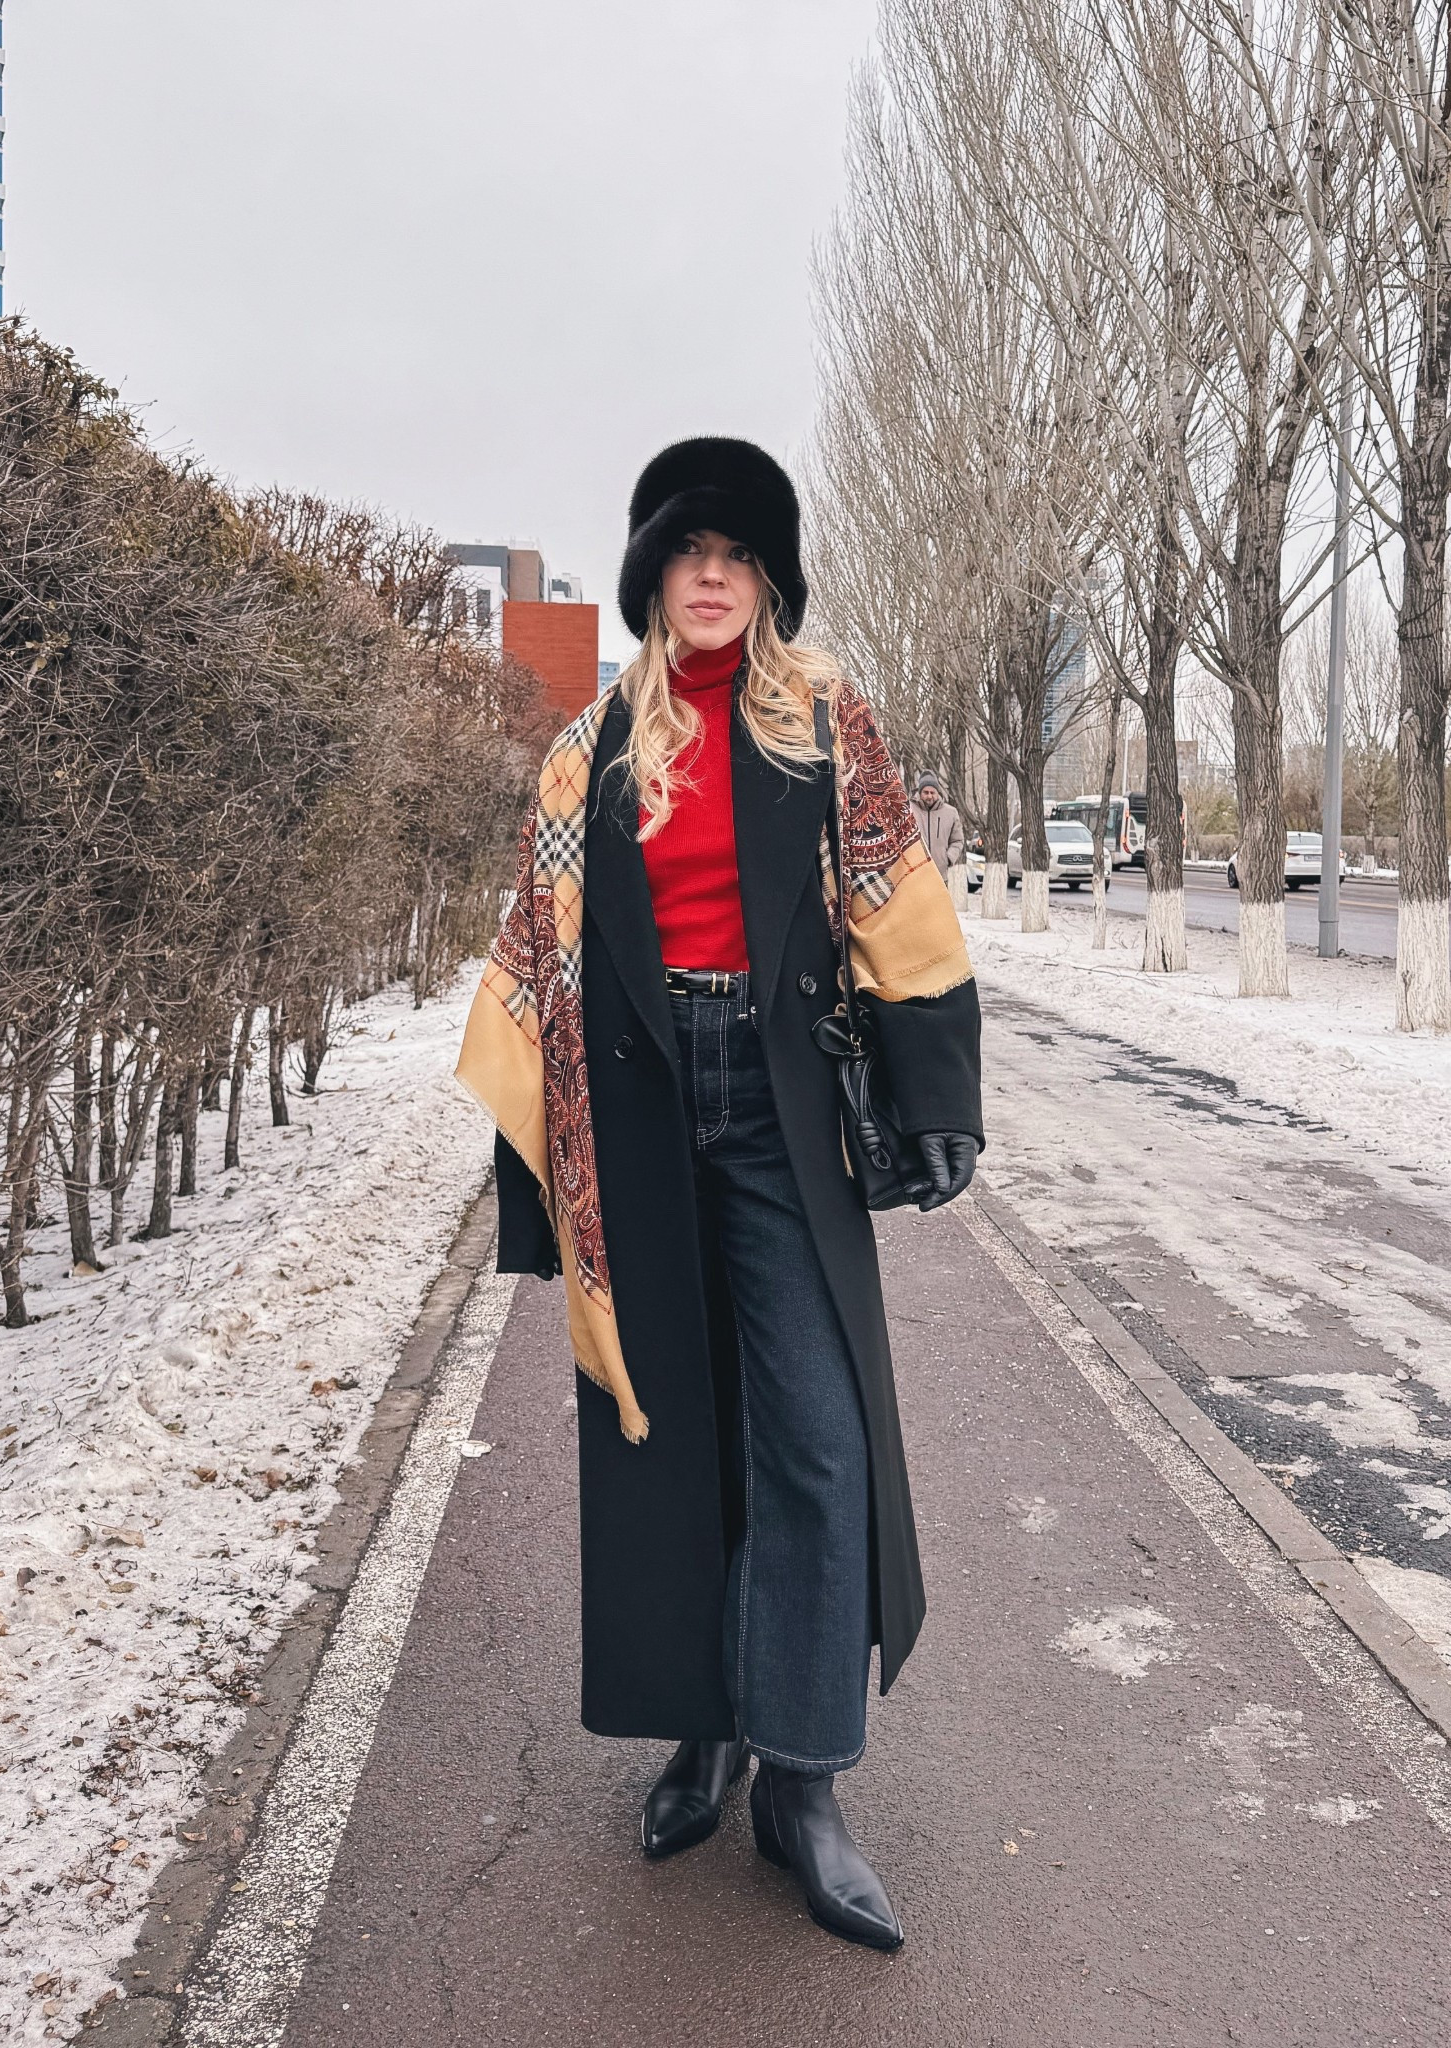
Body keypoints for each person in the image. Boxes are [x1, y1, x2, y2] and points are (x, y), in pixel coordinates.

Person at [456, 437, 983, 1952]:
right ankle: (705, 1726)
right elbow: (537, 967)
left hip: (779, 1101)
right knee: (669, 1435)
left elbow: (896, 899)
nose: (710, 574)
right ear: (650, 576)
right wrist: (534, 1181)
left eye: (738, 554)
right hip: (633, 1103)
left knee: (815, 1433)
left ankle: (800, 1784)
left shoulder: (825, 723)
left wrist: (940, 1094)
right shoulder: (585, 752)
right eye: (688, 550)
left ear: (767, 581)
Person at [912, 770, 966, 892]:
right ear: (920, 792)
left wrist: (948, 858)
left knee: (938, 911)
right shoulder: (909, 810)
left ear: (938, 793)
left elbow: (958, 840)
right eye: (926, 792)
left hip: (940, 876)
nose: (929, 796)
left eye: (932, 792)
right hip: (914, 877)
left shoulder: (950, 813)